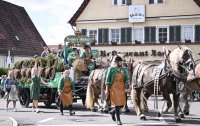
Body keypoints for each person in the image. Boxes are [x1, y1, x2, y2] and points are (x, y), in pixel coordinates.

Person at [105, 56, 129, 125]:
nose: (121, 63)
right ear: (116, 62)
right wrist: (107, 90)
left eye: (121, 62)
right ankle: (118, 120)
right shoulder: (111, 69)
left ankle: (112, 112)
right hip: (114, 88)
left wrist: (129, 85)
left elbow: (127, 78)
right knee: (117, 104)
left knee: (122, 104)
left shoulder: (123, 69)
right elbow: (107, 80)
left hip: (121, 88)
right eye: (120, 62)